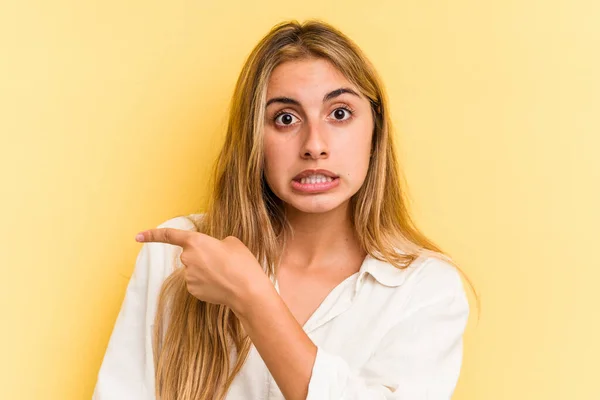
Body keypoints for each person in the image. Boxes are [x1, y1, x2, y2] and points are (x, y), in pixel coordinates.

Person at [92, 19, 472, 400]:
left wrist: (252, 297)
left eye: (339, 113)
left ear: (375, 129)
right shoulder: (181, 256)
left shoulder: (426, 288)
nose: (314, 145)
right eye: (285, 118)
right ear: (254, 139)